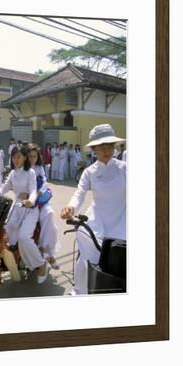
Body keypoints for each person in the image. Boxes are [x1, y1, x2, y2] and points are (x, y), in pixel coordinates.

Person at [60, 124, 126, 295]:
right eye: (102, 146)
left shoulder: (125, 168)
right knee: (86, 258)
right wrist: (70, 208)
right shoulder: (89, 172)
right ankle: (80, 291)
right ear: (94, 148)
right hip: (96, 221)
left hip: (122, 220)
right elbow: (79, 193)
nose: (107, 150)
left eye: (110, 145)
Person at [0, 145, 49, 283]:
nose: (16, 159)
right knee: (7, 228)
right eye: (13, 157)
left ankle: (40, 264)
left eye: (19, 156)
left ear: (24, 157)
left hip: (30, 210)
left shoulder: (30, 172)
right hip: (17, 207)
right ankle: (15, 258)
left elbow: (33, 189)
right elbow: (3, 188)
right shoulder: (13, 173)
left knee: (23, 237)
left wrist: (30, 200)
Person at [27, 143, 60, 269]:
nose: (32, 159)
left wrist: (40, 192)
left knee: (50, 214)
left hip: (41, 201)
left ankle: (46, 250)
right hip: (28, 203)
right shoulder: (22, 168)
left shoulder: (39, 168)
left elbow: (45, 183)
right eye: (29, 156)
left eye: (34, 157)